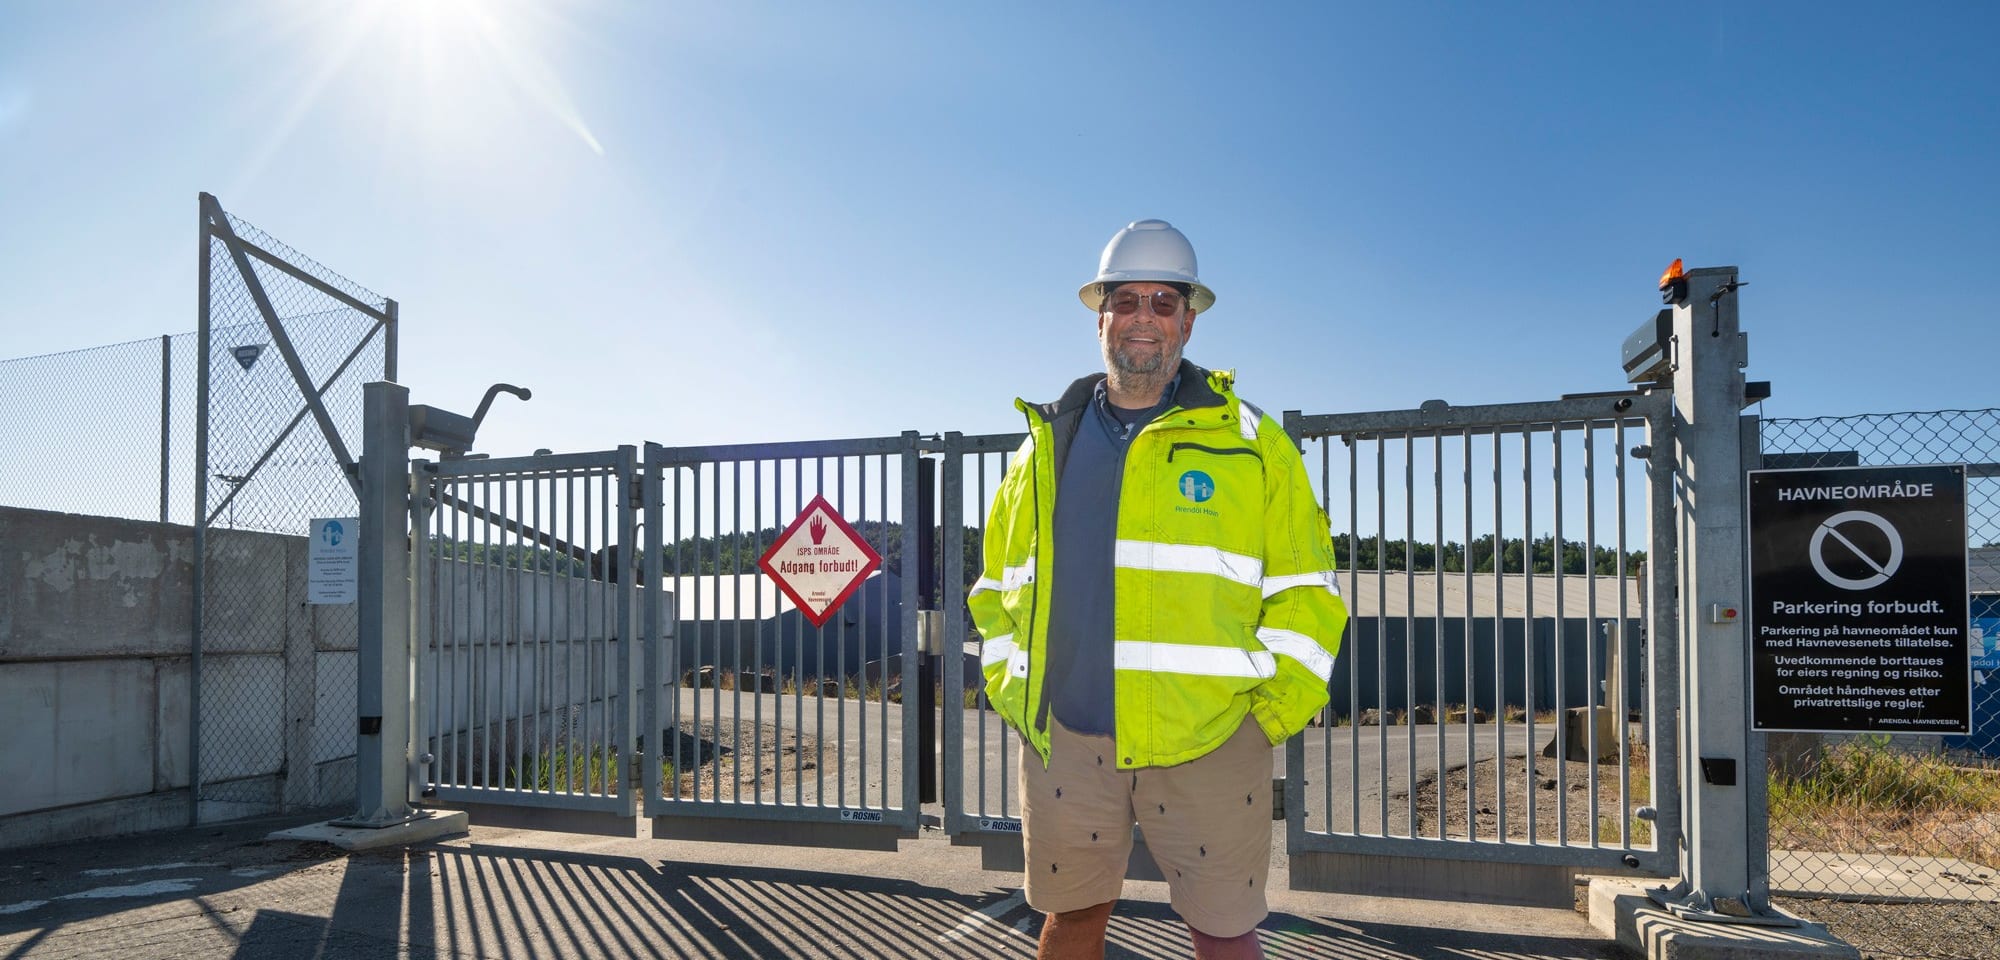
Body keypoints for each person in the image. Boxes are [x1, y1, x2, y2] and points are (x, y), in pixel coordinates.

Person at [969, 219, 1350, 959]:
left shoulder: (1250, 442)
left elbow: (1309, 592)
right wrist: (1015, 690)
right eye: (1128, 300)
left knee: (1224, 930)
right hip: (1070, 742)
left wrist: (1263, 719)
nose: (1145, 318)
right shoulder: (1044, 448)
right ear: (1100, 315)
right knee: (1072, 918)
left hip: (1208, 741)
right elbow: (997, 588)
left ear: (1189, 318)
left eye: (1164, 302)